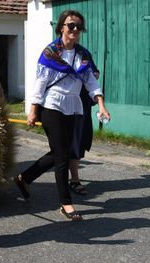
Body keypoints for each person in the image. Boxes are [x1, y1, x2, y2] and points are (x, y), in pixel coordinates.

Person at [13, 10, 110, 221]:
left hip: (74, 106)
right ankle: (65, 203)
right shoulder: (50, 53)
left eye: (78, 26)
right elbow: (40, 83)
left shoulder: (83, 55)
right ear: (61, 28)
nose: (75, 30)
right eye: (70, 25)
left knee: (60, 153)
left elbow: (91, 82)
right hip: (52, 105)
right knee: (62, 156)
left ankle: (24, 178)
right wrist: (33, 109)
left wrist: (101, 104)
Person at [69, 53, 100, 196]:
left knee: (80, 141)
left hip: (83, 103)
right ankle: (74, 180)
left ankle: (73, 179)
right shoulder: (54, 53)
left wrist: (92, 74)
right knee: (69, 143)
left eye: (78, 30)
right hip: (65, 105)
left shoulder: (83, 53)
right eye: (71, 29)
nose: (75, 31)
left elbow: (95, 73)